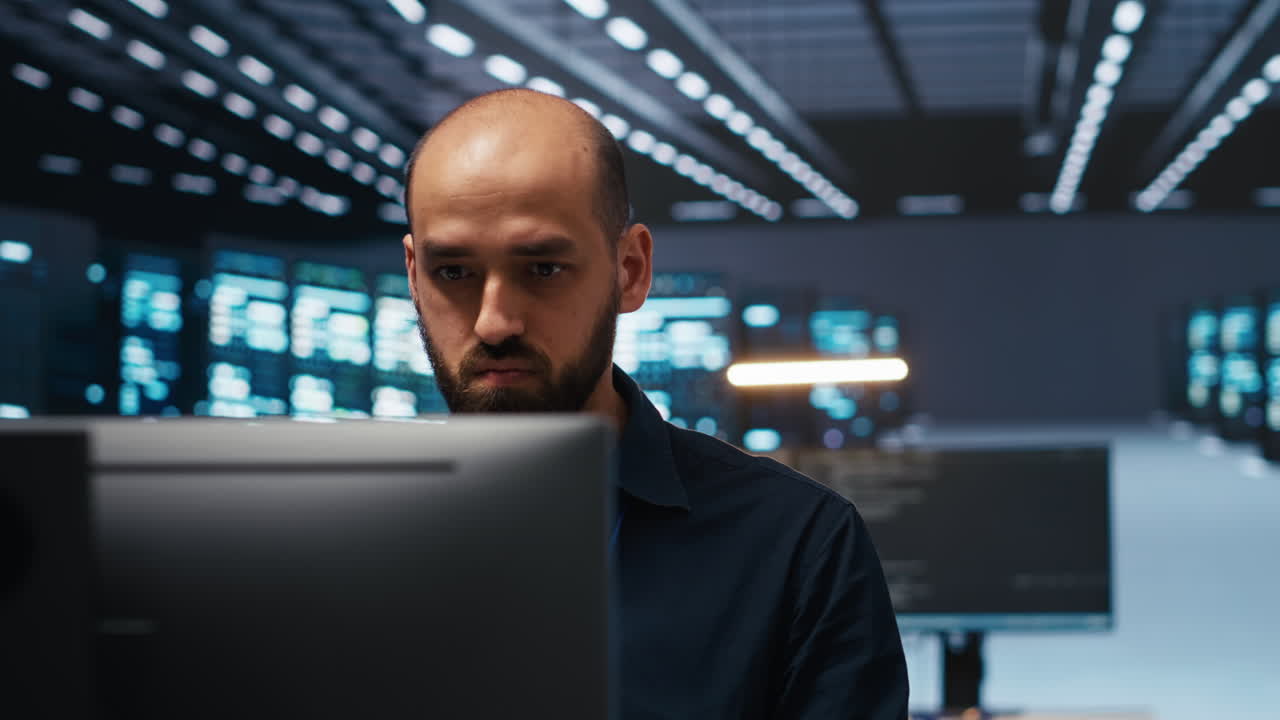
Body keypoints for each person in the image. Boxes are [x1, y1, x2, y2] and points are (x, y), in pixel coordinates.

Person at [401, 88, 908, 719]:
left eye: (542, 269)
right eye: (454, 272)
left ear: (631, 270)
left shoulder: (796, 548)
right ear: (414, 275)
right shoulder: (334, 539)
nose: (494, 321)